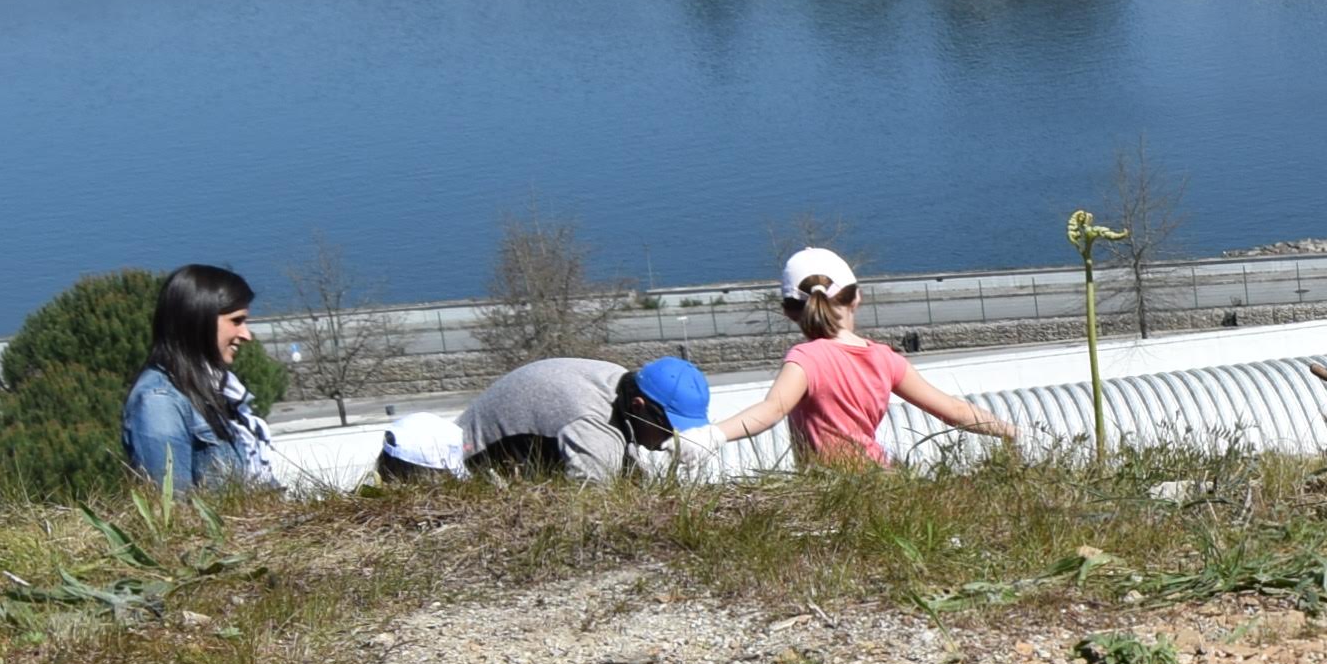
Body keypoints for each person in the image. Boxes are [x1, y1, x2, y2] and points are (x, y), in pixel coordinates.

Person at [702, 247, 1026, 469]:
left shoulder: (805, 358)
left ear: (788, 312)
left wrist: (713, 435)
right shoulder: (885, 358)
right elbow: (955, 410)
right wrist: (1013, 432)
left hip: (832, 489)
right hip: (880, 478)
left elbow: (772, 409)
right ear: (856, 298)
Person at [396, 355, 714, 481]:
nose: (673, 439)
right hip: (464, 473)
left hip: (511, 451)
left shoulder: (616, 379)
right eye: (670, 428)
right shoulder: (594, 428)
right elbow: (592, 514)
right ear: (639, 405)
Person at [123, 262, 279, 492]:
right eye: (236, 321)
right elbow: (171, 504)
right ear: (199, 320)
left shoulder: (217, 389)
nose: (246, 335)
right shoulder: (158, 401)